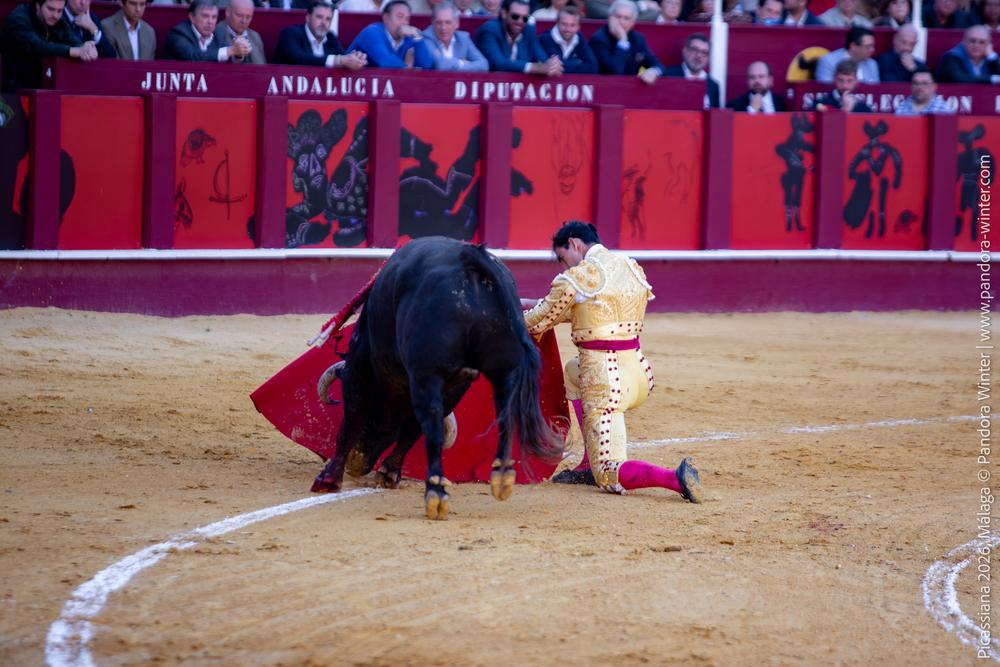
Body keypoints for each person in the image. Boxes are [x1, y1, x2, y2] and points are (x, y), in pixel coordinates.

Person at [521, 221, 703, 502]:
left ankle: (675, 478)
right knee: (572, 372)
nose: (563, 266)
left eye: (562, 257)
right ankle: (585, 465)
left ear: (574, 244)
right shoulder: (630, 266)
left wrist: (506, 315)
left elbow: (536, 322)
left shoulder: (578, 278)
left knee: (607, 471)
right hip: (638, 374)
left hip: (604, 382)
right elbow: (595, 311)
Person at [1, 0, 98, 93]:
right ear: (38, 6)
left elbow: (74, 42)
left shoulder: (58, 21)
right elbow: (36, 46)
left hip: (46, 88)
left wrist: (88, 47)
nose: (55, 15)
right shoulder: (19, 18)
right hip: (14, 93)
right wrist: (73, 51)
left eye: (60, 11)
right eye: (51, 9)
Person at [474, 0, 563, 75]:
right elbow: (498, 64)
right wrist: (532, 67)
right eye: (515, 16)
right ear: (504, 14)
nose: (520, 21)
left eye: (525, 18)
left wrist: (552, 65)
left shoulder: (528, 29)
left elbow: (542, 58)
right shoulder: (490, 30)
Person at [273, 0, 367, 69]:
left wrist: (356, 58)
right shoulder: (289, 34)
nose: (323, 22)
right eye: (319, 17)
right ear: (308, 18)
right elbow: (299, 59)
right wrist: (339, 60)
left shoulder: (330, 38)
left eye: (328, 19)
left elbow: (343, 55)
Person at [590, 1, 664, 84]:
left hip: (631, 91)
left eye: (626, 18)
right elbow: (614, 71)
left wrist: (654, 71)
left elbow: (658, 65)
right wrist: (623, 41)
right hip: (605, 89)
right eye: (618, 17)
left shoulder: (638, 39)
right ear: (610, 17)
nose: (621, 22)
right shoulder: (599, 39)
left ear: (632, 23)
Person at [348, 0, 434, 68]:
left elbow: (426, 65)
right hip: (353, 85)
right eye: (400, 17)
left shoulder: (407, 38)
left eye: (407, 18)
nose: (404, 22)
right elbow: (385, 62)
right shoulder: (372, 32)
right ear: (386, 18)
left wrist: (418, 38)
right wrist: (407, 67)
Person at [165, 0, 250, 61]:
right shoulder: (179, 33)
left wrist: (238, 53)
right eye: (205, 16)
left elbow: (229, 59)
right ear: (192, 17)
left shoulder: (219, 32)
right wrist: (230, 50)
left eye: (214, 17)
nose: (210, 22)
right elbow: (192, 57)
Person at [422, 1, 489, 70]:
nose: (443, 27)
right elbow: (440, 64)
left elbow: (483, 65)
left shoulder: (463, 38)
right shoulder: (426, 37)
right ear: (433, 24)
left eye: (448, 23)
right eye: (439, 23)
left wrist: (456, 67)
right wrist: (461, 63)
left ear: (456, 24)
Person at [662, 32, 720, 108]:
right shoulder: (668, 76)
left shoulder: (713, 85)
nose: (699, 55)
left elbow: (715, 116)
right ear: (684, 51)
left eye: (704, 53)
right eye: (694, 50)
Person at [539, 6, 598, 74]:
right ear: (557, 23)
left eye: (572, 25)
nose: (568, 29)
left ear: (579, 26)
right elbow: (555, 67)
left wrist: (566, 64)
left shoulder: (579, 37)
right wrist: (577, 62)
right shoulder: (545, 38)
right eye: (564, 24)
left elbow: (593, 67)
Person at [808, 59, 873, 112]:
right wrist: (845, 110)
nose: (845, 86)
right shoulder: (820, 104)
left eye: (849, 81)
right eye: (840, 80)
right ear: (834, 79)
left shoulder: (864, 109)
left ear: (856, 81)